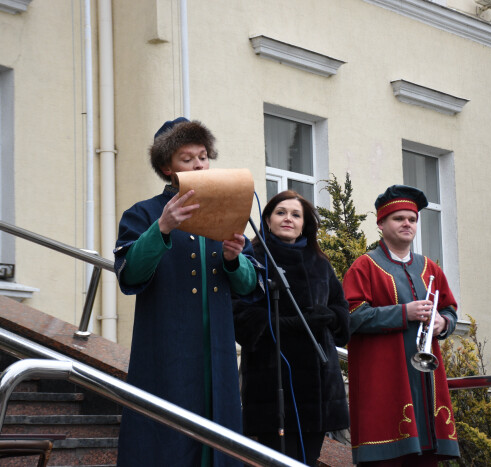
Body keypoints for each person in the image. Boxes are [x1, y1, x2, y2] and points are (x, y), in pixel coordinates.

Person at [114, 118, 258, 467]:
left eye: (204, 157)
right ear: (167, 167)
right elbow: (129, 274)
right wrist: (162, 227)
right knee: (164, 444)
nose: (199, 165)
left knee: (220, 444)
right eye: (187, 158)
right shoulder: (143, 213)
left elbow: (250, 285)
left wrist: (234, 260)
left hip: (219, 356)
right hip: (165, 355)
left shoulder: (227, 211)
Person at [342, 185, 460, 466]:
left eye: (412, 219)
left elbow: (449, 309)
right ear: (381, 223)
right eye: (399, 218)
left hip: (426, 381)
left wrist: (444, 322)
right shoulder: (364, 266)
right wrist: (402, 313)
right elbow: (351, 316)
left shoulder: (431, 267)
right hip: (383, 380)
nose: (407, 224)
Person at [233, 190, 350, 466]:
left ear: (304, 223)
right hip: (270, 384)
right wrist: (293, 324)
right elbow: (241, 317)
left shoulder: (320, 262)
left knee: (308, 459)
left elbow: (342, 312)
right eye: (281, 212)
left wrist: (330, 318)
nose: (288, 219)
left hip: (320, 388)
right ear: (268, 220)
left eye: (296, 214)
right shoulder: (253, 257)